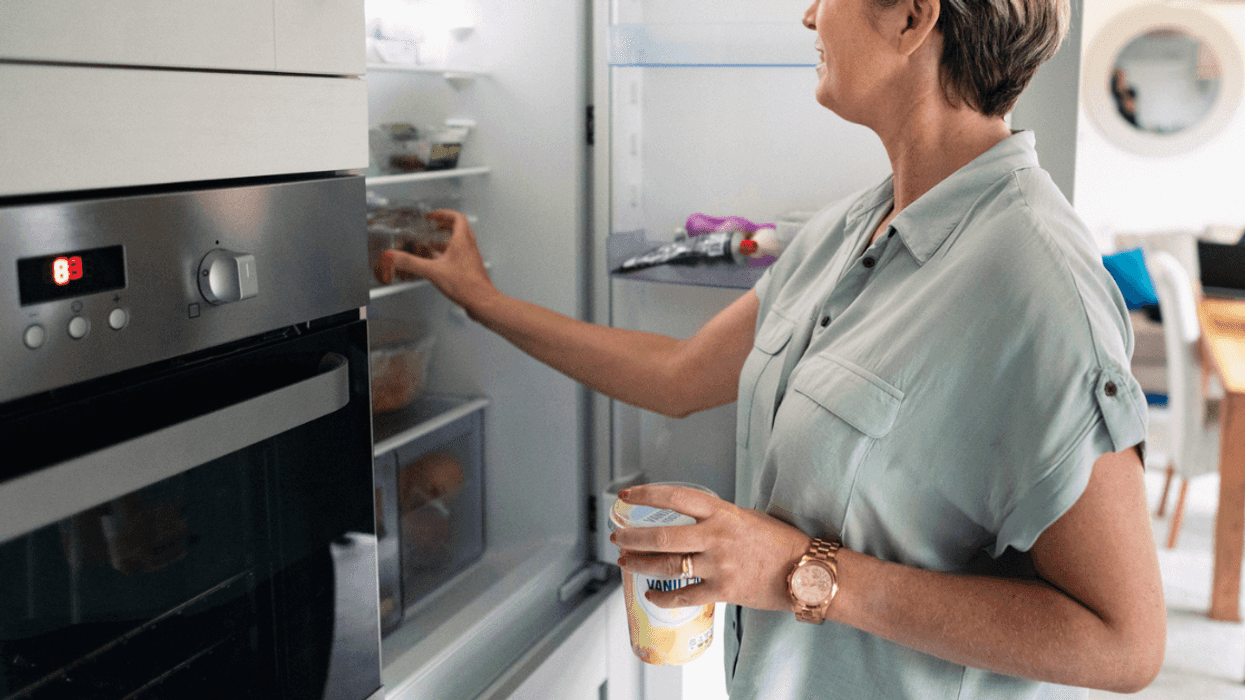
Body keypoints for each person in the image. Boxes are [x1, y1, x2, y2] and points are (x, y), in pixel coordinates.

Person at [375, 0, 1166, 696]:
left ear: (911, 17)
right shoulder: (849, 228)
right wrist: (481, 302)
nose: (807, 15)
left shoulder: (1035, 284)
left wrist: (797, 573)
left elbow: (1122, 643)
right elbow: (678, 375)